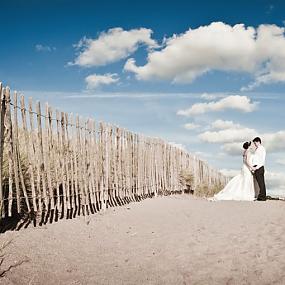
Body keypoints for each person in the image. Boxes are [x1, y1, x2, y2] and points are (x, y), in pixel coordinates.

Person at [251, 137, 267, 201]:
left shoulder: (261, 149)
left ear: (258, 142)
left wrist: (256, 168)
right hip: (257, 167)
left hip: (259, 168)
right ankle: (261, 196)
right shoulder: (258, 149)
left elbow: (262, 160)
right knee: (260, 183)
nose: (255, 144)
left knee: (261, 183)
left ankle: (262, 197)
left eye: (255, 143)